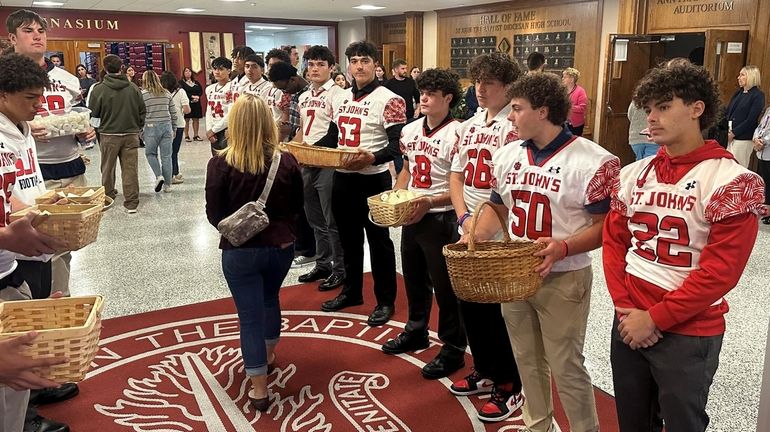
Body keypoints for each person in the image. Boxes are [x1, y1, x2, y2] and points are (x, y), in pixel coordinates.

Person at [603, 61, 766, 432]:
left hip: (689, 330)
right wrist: (626, 307)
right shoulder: (633, 174)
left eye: (664, 106)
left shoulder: (732, 180)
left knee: (683, 423)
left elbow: (720, 273)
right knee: (632, 420)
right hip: (628, 319)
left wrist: (654, 318)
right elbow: (614, 245)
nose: (652, 117)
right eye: (649, 109)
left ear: (697, 108)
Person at [475, 71, 615, 432]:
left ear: (544, 110)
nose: (510, 116)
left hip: (564, 275)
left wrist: (564, 246)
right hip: (515, 272)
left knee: (566, 364)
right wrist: (473, 237)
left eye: (517, 108)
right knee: (526, 358)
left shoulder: (593, 160)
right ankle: (538, 425)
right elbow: (500, 207)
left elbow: (605, 227)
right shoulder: (507, 155)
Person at [205, 94, 303, 412]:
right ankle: (270, 353)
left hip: (239, 250)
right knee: (270, 298)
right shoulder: (285, 160)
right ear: (268, 123)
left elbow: (214, 214)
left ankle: (259, 388)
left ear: (233, 125)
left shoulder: (219, 163)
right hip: (280, 247)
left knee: (248, 318)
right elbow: (297, 208)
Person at [447, 51, 524, 423]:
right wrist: (463, 220)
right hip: (469, 225)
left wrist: (478, 232)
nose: (480, 89)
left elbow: (510, 192)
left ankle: (510, 384)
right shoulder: (471, 122)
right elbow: (456, 174)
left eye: (489, 83)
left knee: (499, 313)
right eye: (477, 81)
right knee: (470, 306)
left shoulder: (514, 125)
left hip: (496, 233)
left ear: (507, 88)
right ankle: (485, 368)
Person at [380, 68, 468, 380]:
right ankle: (416, 330)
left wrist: (429, 201)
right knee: (414, 280)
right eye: (423, 92)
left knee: (446, 288)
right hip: (413, 215)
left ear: (448, 98)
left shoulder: (460, 133)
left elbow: (462, 185)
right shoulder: (410, 130)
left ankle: (453, 347)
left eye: (432, 94)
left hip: (441, 216)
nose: (424, 98)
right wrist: (397, 196)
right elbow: (408, 170)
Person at [0, 51, 70, 432]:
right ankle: (23, 418)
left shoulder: (23, 128)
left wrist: (40, 206)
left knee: (38, 312)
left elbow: (11, 189)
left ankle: (32, 393)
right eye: (30, 97)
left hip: (20, 240)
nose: (38, 104)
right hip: (11, 248)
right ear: (3, 94)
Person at [314, 40, 406, 327]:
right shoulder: (340, 98)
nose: (359, 66)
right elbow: (333, 137)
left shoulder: (389, 99)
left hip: (373, 180)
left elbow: (398, 144)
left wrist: (372, 157)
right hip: (343, 179)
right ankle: (352, 291)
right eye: (354, 61)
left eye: (365, 60)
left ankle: (385, 300)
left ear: (375, 64)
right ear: (349, 65)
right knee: (348, 240)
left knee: (379, 244)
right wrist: (305, 150)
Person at [8, 9, 96, 297]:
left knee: (61, 245)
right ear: (12, 38)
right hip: (25, 174)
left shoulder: (68, 79)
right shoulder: (5, 81)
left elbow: (72, 119)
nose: (37, 36)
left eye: (41, 30)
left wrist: (84, 133)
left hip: (66, 166)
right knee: (31, 246)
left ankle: (58, 299)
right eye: (28, 30)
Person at [294, 45, 347, 292]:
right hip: (308, 163)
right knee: (314, 217)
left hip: (328, 163)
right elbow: (303, 130)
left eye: (320, 65)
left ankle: (340, 269)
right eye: (311, 64)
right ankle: (323, 262)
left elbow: (337, 134)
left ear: (331, 68)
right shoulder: (304, 96)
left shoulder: (339, 95)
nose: (314, 69)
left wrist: (311, 151)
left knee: (332, 219)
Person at [88, 54, 145, 214]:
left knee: (107, 168)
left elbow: (93, 114)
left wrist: (98, 131)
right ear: (122, 68)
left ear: (105, 68)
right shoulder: (133, 88)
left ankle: (108, 195)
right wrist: (137, 127)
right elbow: (142, 111)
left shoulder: (99, 89)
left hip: (108, 134)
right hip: (131, 134)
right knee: (130, 169)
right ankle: (131, 202)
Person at [141, 70, 177, 193]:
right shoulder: (166, 93)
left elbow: (139, 114)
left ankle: (158, 176)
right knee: (167, 157)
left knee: (150, 154)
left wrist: (141, 131)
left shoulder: (143, 95)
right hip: (166, 126)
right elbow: (173, 113)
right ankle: (168, 185)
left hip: (150, 126)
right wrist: (174, 128)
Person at [725, 65, 765, 167]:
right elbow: (729, 112)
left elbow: (751, 119)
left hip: (743, 138)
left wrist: (734, 133)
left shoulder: (757, 95)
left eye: (742, 75)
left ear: (751, 77)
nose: (738, 77)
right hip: (730, 135)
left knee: (738, 167)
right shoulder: (738, 93)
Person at [160, 71, 190, 185]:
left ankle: (175, 172)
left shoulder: (161, 92)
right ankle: (171, 175)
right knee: (174, 151)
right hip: (178, 123)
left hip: (164, 123)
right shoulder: (180, 92)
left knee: (167, 151)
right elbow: (187, 110)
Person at [205, 57, 234, 156]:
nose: (217, 72)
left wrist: (213, 130)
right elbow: (209, 111)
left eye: (221, 69)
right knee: (216, 160)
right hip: (213, 129)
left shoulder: (233, 87)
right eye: (215, 69)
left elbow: (232, 113)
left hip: (227, 129)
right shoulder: (210, 89)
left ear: (229, 70)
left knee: (228, 160)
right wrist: (209, 129)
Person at [753, 105, 770, 224]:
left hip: (767, 148)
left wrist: (763, 141)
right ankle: (767, 209)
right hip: (762, 152)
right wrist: (756, 139)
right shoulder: (768, 110)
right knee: (766, 181)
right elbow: (760, 126)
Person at [179, 67, 203, 142]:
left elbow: (200, 91)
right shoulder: (181, 82)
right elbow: (183, 92)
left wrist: (198, 97)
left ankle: (196, 135)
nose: (188, 72)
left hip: (196, 103)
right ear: (183, 73)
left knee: (196, 119)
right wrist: (192, 97)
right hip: (187, 103)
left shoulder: (196, 82)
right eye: (186, 71)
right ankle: (186, 136)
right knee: (186, 119)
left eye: (189, 71)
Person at [562, 67, 588, 136]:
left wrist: (569, 107)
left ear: (572, 79)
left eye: (565, 77)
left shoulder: (580, 91)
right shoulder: (562, 90)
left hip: (575, 125)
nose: (562, 79)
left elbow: (582, 108)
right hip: (562, 123)